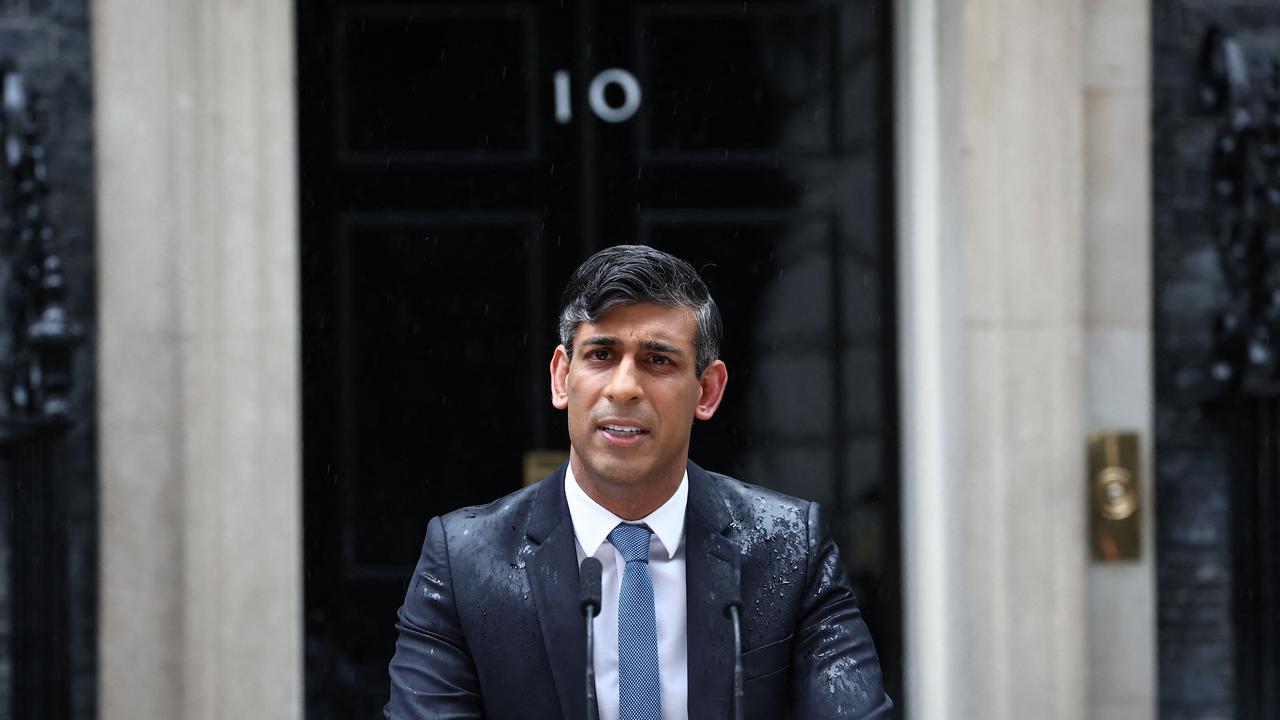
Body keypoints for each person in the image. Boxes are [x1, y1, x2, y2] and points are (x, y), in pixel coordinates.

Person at [385, 245, 892, 719]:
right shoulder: (464, 560)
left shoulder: (788, 547)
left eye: (658, 360)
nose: (624, 387)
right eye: (601, 355)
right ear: (563, 378)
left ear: (707, 391)